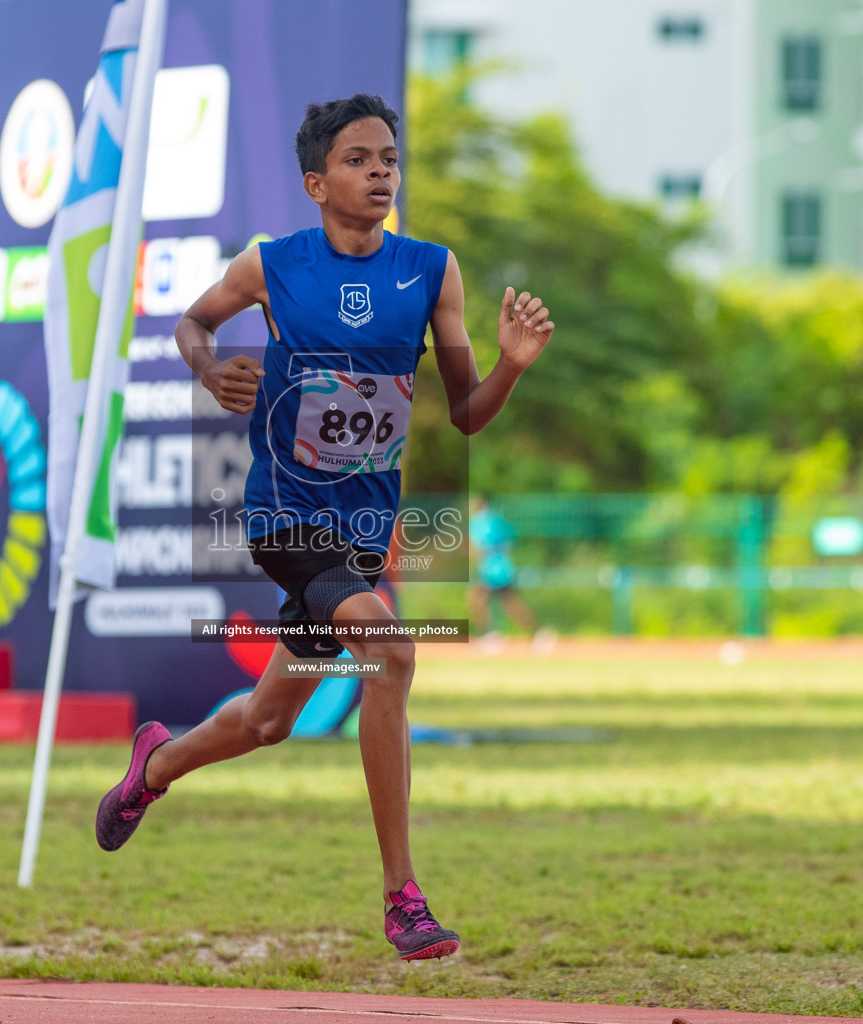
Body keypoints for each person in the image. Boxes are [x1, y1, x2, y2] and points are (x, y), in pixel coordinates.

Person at [92, 95, 554, 962]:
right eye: (359, 159)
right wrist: (207, 368)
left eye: (389, 158)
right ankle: (403, 899)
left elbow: (465, 416)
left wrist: (510, 369)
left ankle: (152, 767)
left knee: (269, 722)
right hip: (283, 515)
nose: (381, 172)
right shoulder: (272, 265)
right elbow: (191, 322)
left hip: (358, 532)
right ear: (317, 181)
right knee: (392, 649)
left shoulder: (432, 271)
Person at [468, 495, 552, 653]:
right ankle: (538, 633)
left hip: (494, 571)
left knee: (478, 601)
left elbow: (480, 548)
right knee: (509, 606)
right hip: (500, 569)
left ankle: (490, 636)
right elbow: (509, 540)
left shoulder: (481, 523)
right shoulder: (495, 521)